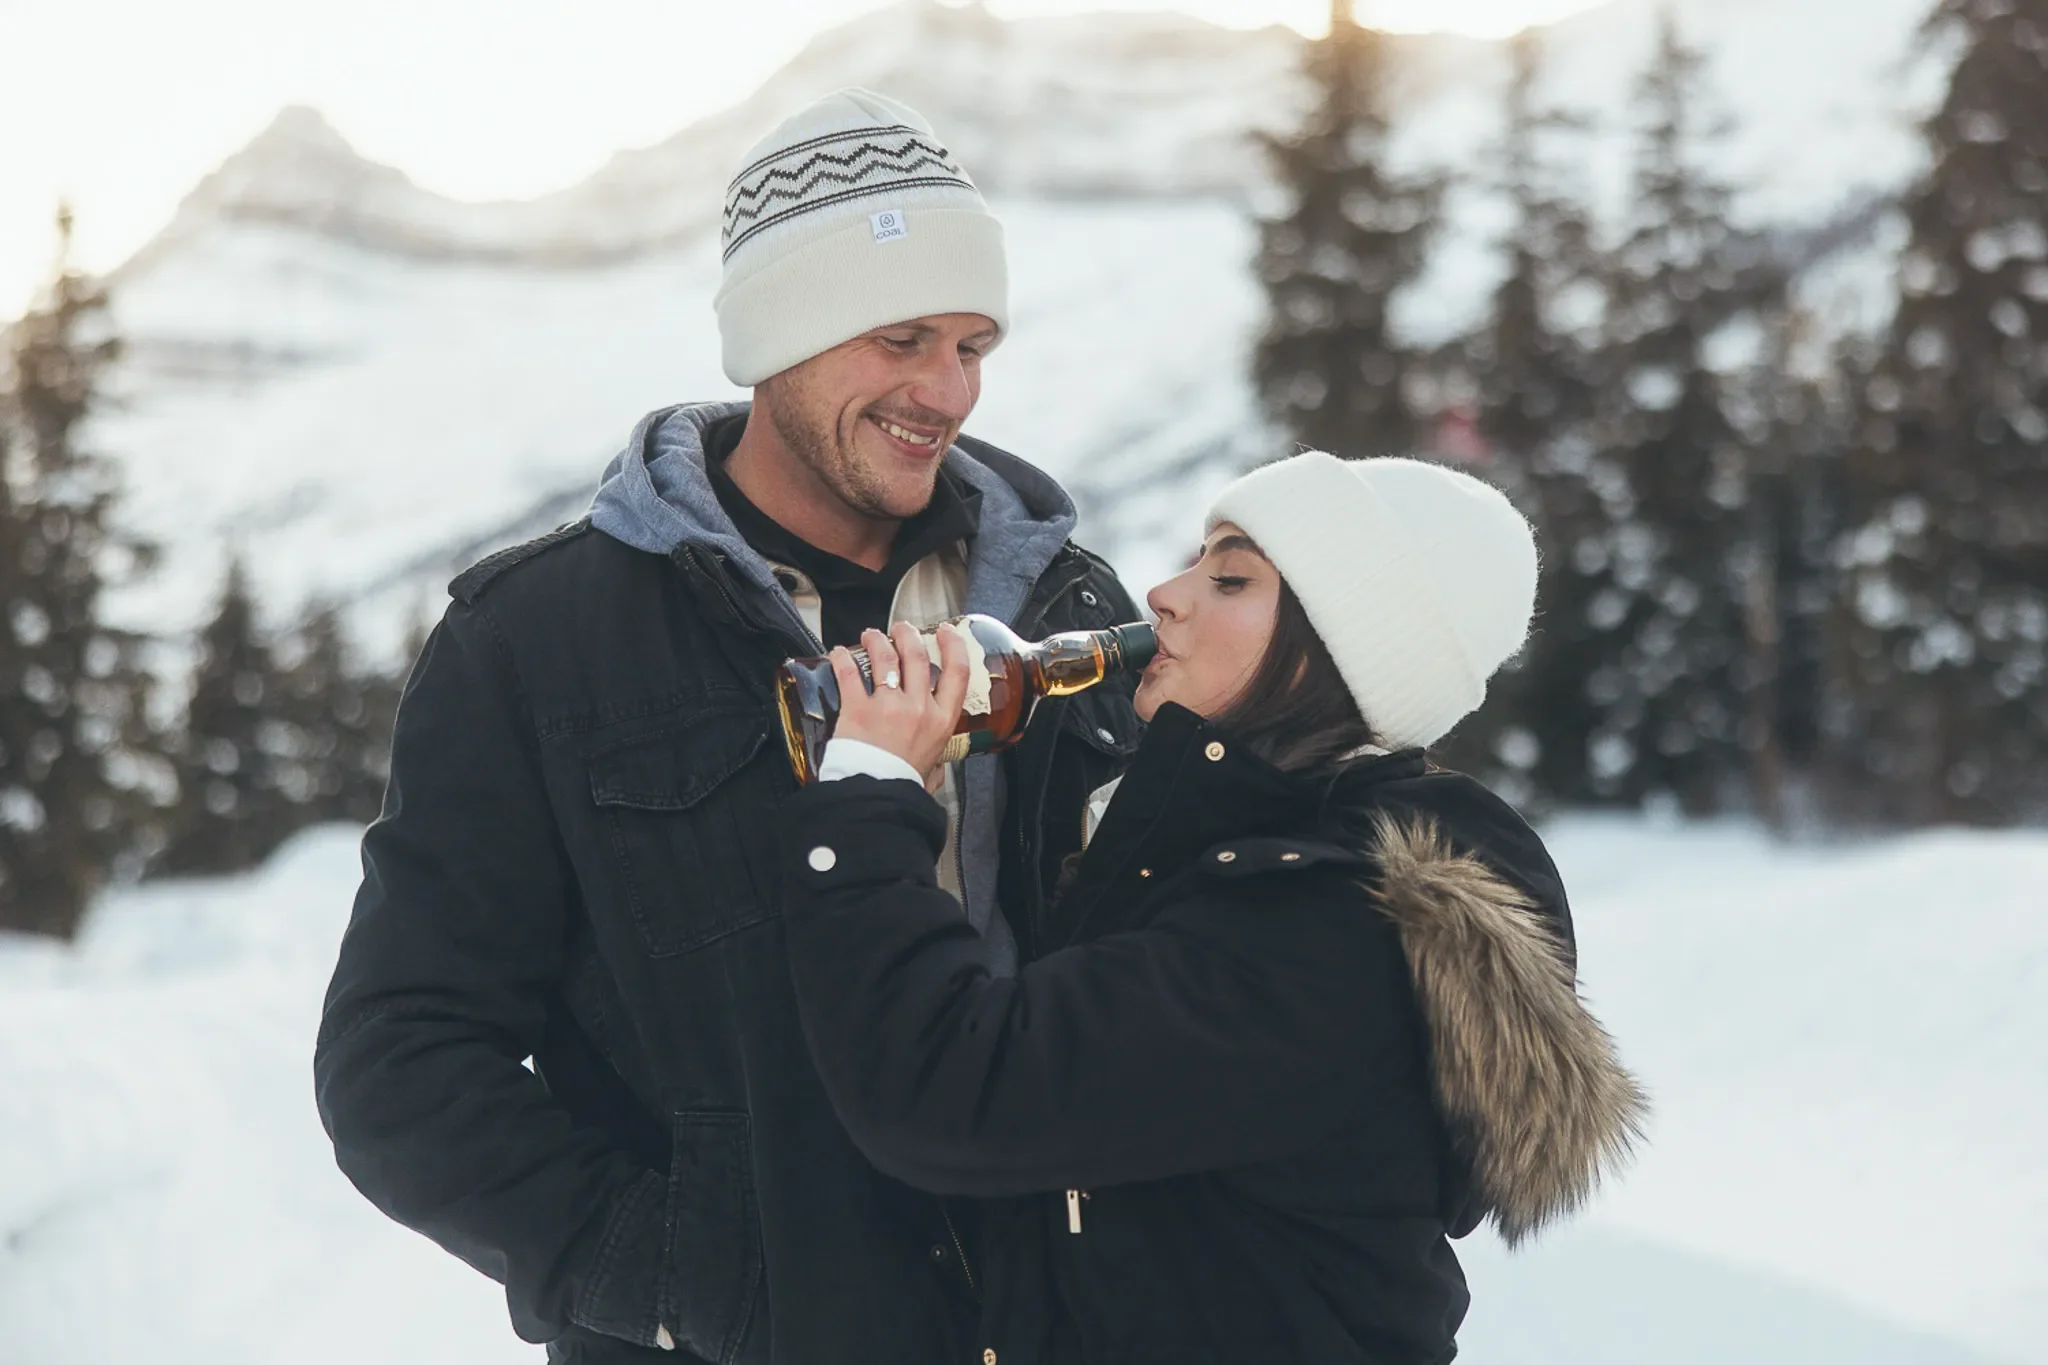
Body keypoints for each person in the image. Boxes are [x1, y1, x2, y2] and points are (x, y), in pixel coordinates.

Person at [312, 89, 1144, 1364]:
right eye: (902, 336)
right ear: (776, 336)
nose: (949, 390)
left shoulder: (1066, 610)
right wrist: (684, 1279)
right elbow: (401, 1061)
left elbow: (1167, 955)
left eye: (974, 343)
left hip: (1044, 1321)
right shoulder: (536, 641)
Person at [778, 451, 1650, 1365]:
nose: (1162, 593)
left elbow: (952, 1089)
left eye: (1230, 577)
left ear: (1339, 650)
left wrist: (868, 798)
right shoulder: (1237, 862)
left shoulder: (1335, 926)